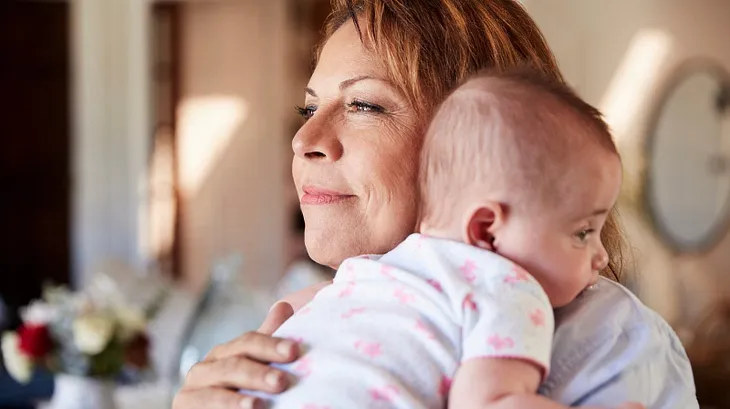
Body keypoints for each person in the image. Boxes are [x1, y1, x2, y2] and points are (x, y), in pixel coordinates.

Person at [172, 1, 698, 409]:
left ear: (481, 148)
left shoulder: (609, 341)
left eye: (364, 104)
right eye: (308, 106)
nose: (304, 136)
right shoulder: (311, 313)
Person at [242, 68, 625, 409]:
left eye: (362, 105)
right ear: (486, 230)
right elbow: (487, 402)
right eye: (583, 233)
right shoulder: (507, 288)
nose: (601, 256)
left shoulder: (373, 272)